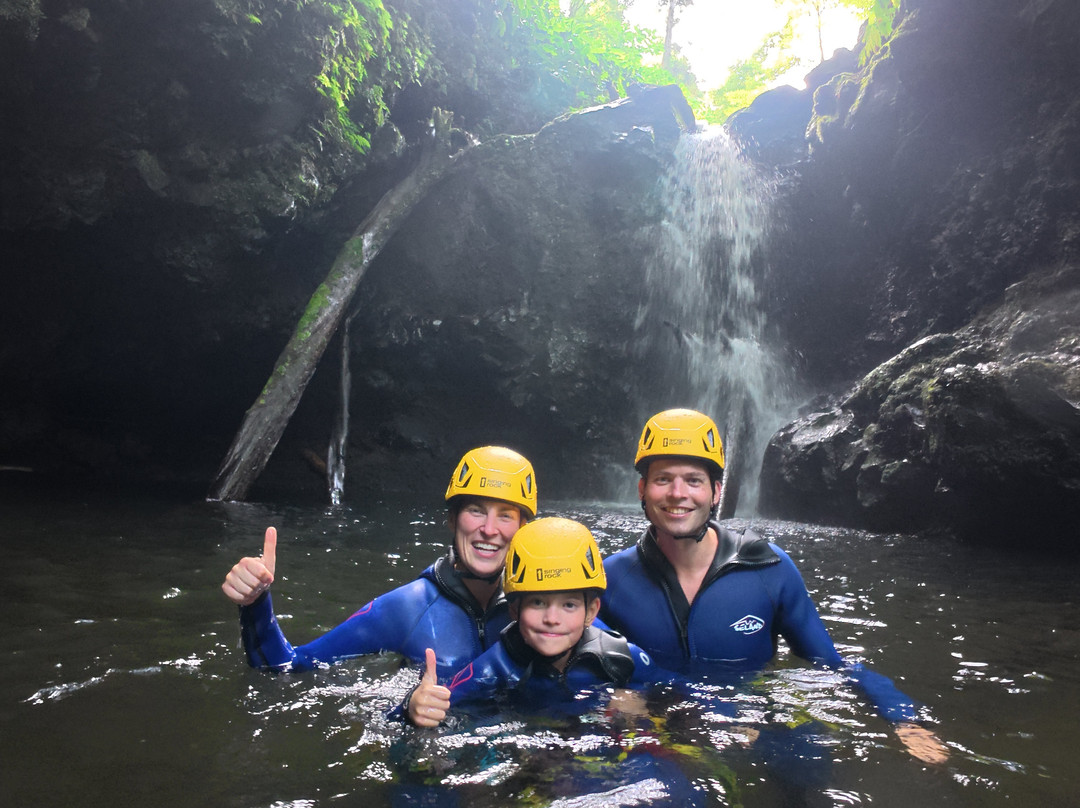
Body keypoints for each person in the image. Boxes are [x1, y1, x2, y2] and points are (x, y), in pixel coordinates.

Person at [599, 408, 950, 765]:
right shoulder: (609, 578)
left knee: (809, 766)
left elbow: (831, 663)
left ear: (716, 491)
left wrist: (904, 717)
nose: (678, 493)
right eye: (663, 479)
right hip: (658, 720)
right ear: (642, 489)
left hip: (754, 720)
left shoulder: (769, 569)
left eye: (693, 480)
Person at [221, 445, 536, 678]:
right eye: (476, 511)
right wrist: (255, 604)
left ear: (523, 529)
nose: (490, 530)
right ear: (453, 520)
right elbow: (286, 665)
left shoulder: (546, 607)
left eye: (505, 516)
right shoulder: (407, 608)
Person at [402, 517, 668, 727]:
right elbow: (438, 707)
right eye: (538, 603)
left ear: (591, 611)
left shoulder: (622, 659)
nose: (552, 619)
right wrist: (412, 708)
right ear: (515, 609)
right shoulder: (494, 668)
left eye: (569, 605)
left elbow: (676, 693)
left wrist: (641, 703)